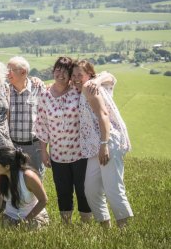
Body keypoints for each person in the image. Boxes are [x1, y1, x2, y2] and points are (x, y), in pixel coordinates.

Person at [72, 60, 133, 228]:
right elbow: (110, 76)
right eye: (74, 75)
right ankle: (106, 228)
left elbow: (103, 115)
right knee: (91, 190)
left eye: (80, 74)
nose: (77, 78)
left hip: (107, 142)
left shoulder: (89, 88)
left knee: (113, 187)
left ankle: (124, 230)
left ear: (89, 74)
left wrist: (104, 144)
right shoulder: (89, 85)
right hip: (94, 147)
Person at [34, 56, 92, 224]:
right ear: (53, 72)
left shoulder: (78, 90)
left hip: (80, 152)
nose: (61, 74)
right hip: (58, 154)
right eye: (58, 70)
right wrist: (44, 151)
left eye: (65, 71)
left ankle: (85, 226)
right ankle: (66, 226)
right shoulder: (44, 96)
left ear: (70, 75)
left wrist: (97, 80)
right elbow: (42, 125)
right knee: (63, 192)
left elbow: (105, 78)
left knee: (83, 190)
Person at [6, 56, 46, 178]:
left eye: (10, 69)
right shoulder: (5, 90)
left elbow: (45, 117)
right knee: (15, 182)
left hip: (34, 147)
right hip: (12, 146)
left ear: (23, 72)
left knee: (36, 181)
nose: (7, 73)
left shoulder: (38, 88)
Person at [0, 147, 49, 228]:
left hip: (33, 217)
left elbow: (43, 200)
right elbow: (0, 196)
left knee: (27, 230)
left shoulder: (28, 177)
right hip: (10, 217)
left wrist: (26, 221)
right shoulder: (3, 176)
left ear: (7, 167)